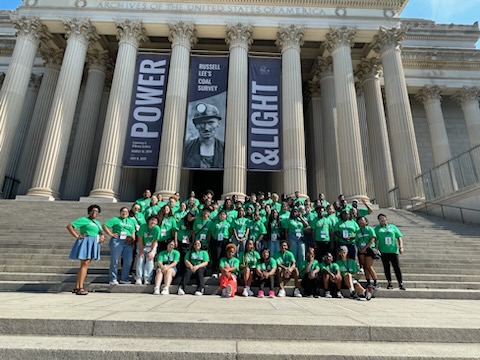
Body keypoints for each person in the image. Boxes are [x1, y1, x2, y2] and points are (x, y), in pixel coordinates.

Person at [67, 205, 104, 295]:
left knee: (84, 264)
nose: (94, 212)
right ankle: (80, 287)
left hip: (94, 242)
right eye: (93, 211)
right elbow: (69, 226)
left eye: (96, 211)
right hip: (86, 242)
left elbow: (100, 232)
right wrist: (77, 236)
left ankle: (77, 286)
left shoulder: (97, 222)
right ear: (89, 211)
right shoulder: (83, 219)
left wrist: (102, 237)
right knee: (85, 264)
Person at [102, 207, 137, 285]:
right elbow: (105, 225)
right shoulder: (115, 219)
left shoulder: (131, 221)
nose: (124, 213)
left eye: (126, 212)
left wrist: (133, 240)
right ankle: (113, 278)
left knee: (128, 260)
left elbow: (133, 232)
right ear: (120, 212)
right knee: (115, 260)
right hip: (117, 240)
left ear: (128, 213)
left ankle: (124, 278)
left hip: (128, 241)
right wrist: (110, 234)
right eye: (123, 211)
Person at [183, 102, 224, 168]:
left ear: (218, 124)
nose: (206, 128)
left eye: (210, 122)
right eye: (201, 123)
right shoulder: (186, 148)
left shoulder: (225, 149)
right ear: (195, 125)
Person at [375, 213, 406, 290]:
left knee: (396, 267)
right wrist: (375, 249)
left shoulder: (393, 227)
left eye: (383, 218)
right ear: (379, 221)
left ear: (386, 218)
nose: (382, 220)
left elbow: (399, 237)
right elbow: (375, 239)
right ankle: (389, 282)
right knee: (386, 267)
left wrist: (401, 247)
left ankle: (400, 283)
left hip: (393, 250)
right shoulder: (377, 228)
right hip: (383, 251)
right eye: (380, 219)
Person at [135, 215, 160, 285]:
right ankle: (139, 278)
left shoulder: (157, 229)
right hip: (142, 244)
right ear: (148, 221)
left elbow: (154, 241)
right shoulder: (143, 226)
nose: (153, 222)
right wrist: (141, 251)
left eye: (155, 221)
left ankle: (147, 278)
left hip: (151, 245)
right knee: (140, 259)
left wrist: (151, 251)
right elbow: (139, 239)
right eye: (152, 220)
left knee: (150, 259)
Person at [356, 216, 379, 289]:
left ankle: (375, 281)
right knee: (365, 266)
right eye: (359, 220)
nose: (361, 221)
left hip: (369, 249)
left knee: (369, 266)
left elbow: (372, 239)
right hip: (361, 249)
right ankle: (368, 282)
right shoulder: (358, 231)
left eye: (362, 220)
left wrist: (365, 248)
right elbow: (356, 241)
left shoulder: (370, 229)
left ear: (366, 221)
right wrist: (359, 248)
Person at [209, 210, 231, 278]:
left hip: (225, 240)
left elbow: (231, 232)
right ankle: (215, 271)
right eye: (221, 214)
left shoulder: (228, 223)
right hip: (217, 240)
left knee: (223, 255)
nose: (222, 216)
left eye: (224, 215)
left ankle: (222, 271)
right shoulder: (215, 223)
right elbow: (212, 232)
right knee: (216, 255)